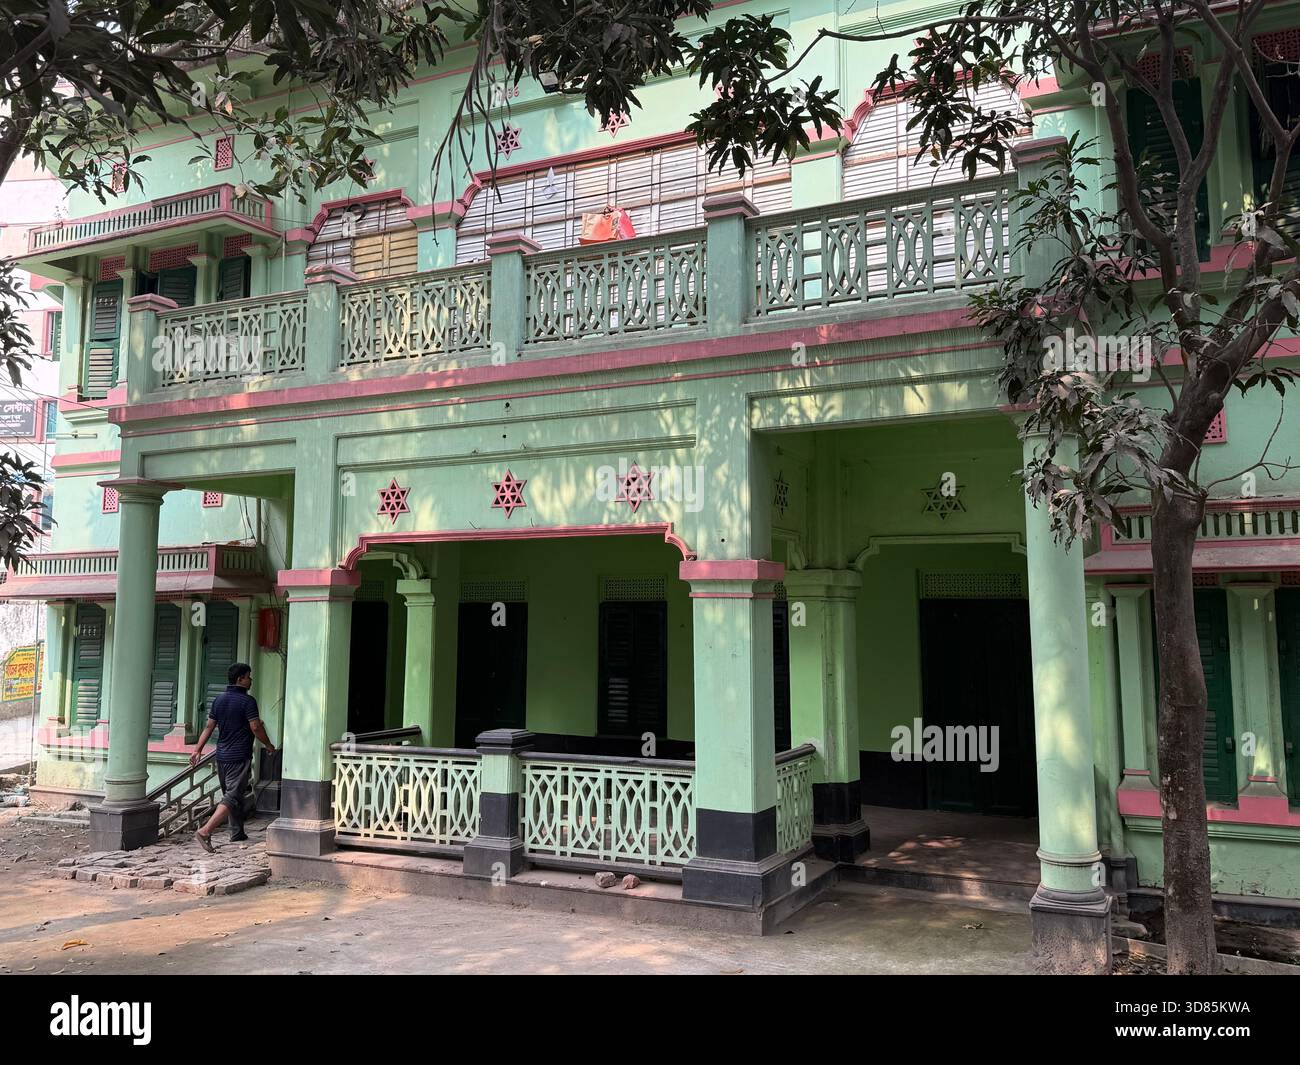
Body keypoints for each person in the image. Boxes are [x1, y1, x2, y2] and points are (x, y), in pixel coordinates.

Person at [190, 662, 275, 851]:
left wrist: (197, 750)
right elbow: (255, 726)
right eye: (248, 676)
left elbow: (209, 727)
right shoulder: (248, 701)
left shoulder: (219, 700)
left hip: (222, 756)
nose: (251, 680)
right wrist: (268, 745)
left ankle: (237, 832)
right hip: (239, 756)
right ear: (240, 679)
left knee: (231, 795)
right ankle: (205, 831)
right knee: (233, 796)